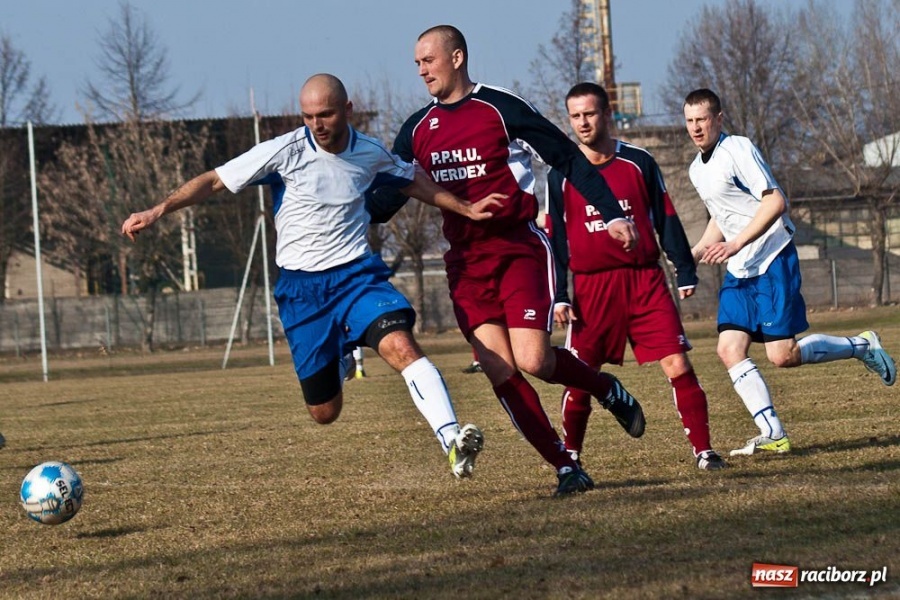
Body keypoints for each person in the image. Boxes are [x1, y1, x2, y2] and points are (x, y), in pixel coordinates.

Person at [121, 73, 503, 479]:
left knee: (402, 347)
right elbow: (214, 180)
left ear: (347, 110)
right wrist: (157, 210)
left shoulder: (370, 152)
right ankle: (338, 360)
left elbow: (412, 181)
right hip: (302, 292)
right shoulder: (283, 151)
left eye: (325, 114)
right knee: (324, 412)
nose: (317, 124)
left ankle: (452, 443)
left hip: (357, 277)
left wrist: (465, 207)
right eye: (308, 116)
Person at [388, 25, 646, 496]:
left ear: (458, 57)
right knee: (499, 368)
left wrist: (611, 213)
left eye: (429, 59)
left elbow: (567, 158)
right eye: (417, 63)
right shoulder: (416, 129)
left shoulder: (501, 108)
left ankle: (606, 389)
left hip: (518, 250)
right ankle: (567, 467)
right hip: (465, 265)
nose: (422, 69)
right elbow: (389, 193)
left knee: (534, 359)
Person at [683, 88, 896, 456]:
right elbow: (723, 213)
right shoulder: (695, 169)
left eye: (702, 119)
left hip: (771, 257)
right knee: (728, 348)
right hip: (740, 269)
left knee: (782, 355)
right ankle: (773, 433)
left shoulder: (738, 148)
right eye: (689, 121)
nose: (696, 128)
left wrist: (735, 244)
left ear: (718, 119)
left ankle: (862, 345)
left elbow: (776, 201)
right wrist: (698, 249)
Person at [547, 82, 727, 471]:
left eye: (590, 114)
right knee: (580, 377)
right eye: (575, 116)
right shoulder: (559, 174)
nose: (582, 122)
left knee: (677, 364)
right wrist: (558, 295)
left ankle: (705, 452)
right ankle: (571, 458)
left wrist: (683, 266)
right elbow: (556, 240)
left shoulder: (638, 161)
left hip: (644, 281)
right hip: (591, 290)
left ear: (607, 115)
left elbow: (666, 215)